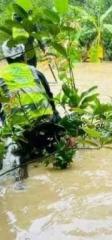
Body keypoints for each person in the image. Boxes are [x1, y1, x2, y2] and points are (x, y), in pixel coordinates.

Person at [0, 41, 61, 178]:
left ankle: (20, 180)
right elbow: (50, 100)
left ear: (6, 58)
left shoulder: (1, 77)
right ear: (24, 55)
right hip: (47, 125)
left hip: (20, 132)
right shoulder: (36, 72)